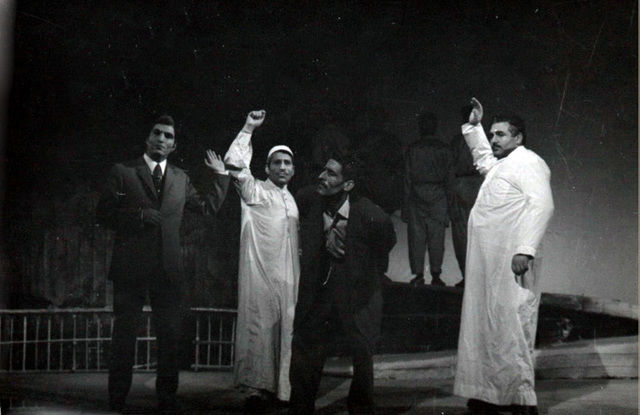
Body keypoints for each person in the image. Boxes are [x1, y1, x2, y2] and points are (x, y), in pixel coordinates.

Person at [96, 115, 230, 414]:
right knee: (124, 338)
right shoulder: (124, 171)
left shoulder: (180, 178)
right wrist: (138, 216)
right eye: (157, 133)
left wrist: (221, 176)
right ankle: (116, 402)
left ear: (174, 145)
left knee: (170, 339)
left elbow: (207, 207)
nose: (162, 139)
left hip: (167, 271)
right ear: (147, 138)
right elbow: (103, 213)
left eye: (168, 136)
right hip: (130, 269)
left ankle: (166, 402)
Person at [454, 98, 554, 415]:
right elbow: (484, 158)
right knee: (485, 327)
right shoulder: (503, 165)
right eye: (492, 134)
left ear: (518, 137)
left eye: (500, 134)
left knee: (512, 329)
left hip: (512, 262)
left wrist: (525, 249)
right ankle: (486, 395)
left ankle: (520, 400)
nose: (494, 139)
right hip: (488, 264)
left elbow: (542, 204)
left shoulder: (530, 163)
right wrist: (474, 127)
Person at [288, 154, 396, 414]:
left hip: (357, 290)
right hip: (320, 287)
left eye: (331, 173)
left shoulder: (370, 214)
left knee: (362, 349)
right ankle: (300, 408)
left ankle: (360, 408)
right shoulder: (308, 199)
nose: (322, 177)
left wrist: (360, 263)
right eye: (323, 170)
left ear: (348, 185)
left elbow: (385, 244)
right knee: (306, 344)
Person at [221, 110, 300, 411]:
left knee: (286, 330)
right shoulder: (255, 191)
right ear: (266, 168)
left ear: (293, 169)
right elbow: (235, 164)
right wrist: (248, 128)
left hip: (289, 279)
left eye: (287, 163)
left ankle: (283, 389)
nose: (282, 167)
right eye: (277, 162)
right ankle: (256, 388)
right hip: (261, 277)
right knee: (260, 329)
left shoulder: (292, 200)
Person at [403, 111, 452, 286]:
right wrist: (450, 202)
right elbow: (449, 178)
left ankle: (418, 274)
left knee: (417, 237)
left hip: (417, 193)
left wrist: (406, 202)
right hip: (438, 194)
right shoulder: (444, 149)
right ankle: (435, 273)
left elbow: (407, 177)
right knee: (436, 237)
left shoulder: (413, 149)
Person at [448, 105, 484, 288]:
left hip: (472, 184)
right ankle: (469, 277)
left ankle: (472, 277)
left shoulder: (464, 140)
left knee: (466, 234)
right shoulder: (476, 139)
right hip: (470, 184)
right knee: (466, 234)